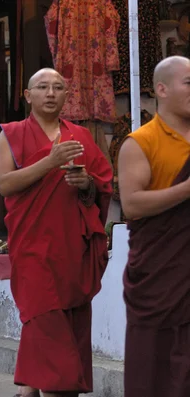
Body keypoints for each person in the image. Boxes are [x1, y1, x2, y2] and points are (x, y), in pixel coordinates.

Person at [0, 68, 113, 397]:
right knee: (43, 313)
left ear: (66, 95)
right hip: (33, 247)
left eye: (58, 87)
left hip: (71, 246)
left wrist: (86, 183)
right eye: (42, 87)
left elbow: (102, 184)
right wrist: (50, 162)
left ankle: (30, 387)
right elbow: (5, 184)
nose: (50, 93)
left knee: (67, 319)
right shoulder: (12, 134)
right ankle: (57, 388)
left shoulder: (82, 136)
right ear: (27, 95)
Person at [118, 56, 190, 397]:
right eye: (188, 82)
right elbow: (132, 204)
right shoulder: (140, 142)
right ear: (161, 89)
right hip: (164, 274)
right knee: (155, 370)